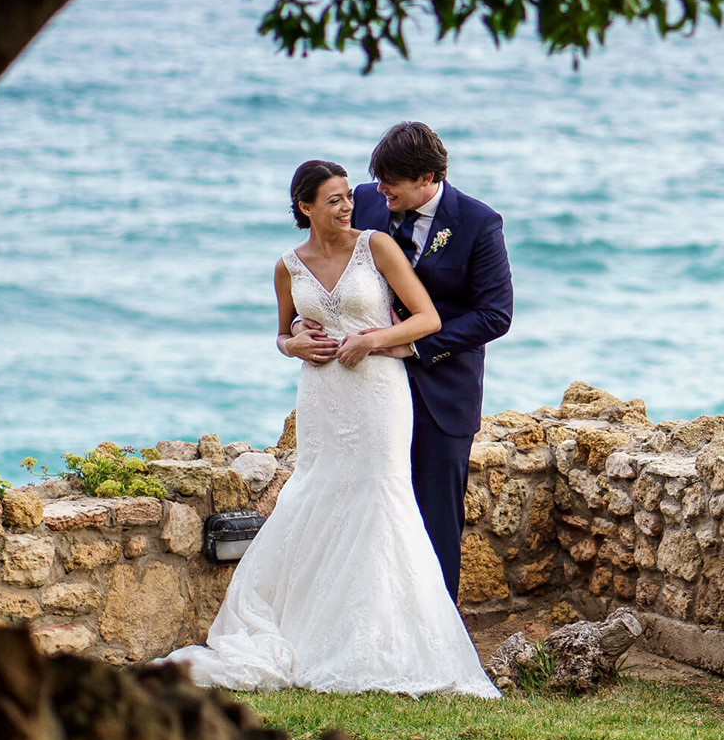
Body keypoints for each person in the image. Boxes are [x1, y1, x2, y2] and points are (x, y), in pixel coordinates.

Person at [163, 160, 497, 695]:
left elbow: (428, 319)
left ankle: (389, 638)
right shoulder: (287, 266)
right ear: (306, 207)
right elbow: (280, 334)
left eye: (348, 196)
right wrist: (293, 343)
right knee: (318, 496)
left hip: (379, 391)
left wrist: (373, 340)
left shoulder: (376, 246)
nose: (348, 206)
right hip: (322, 395)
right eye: (335, 200)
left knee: (381, 498)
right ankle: (315, 629)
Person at [297, 122, 513, 602]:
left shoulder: (479, 223)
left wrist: (411, 345)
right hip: (365, 388)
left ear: (429, 178)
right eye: (378, 178)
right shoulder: (367, 201)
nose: (380, 190)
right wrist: (298, 328)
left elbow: (495, 315)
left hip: (442, 389)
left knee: (436, 516)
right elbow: (315, 269)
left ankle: (438, 634)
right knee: (364, 505)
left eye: (392, 182)